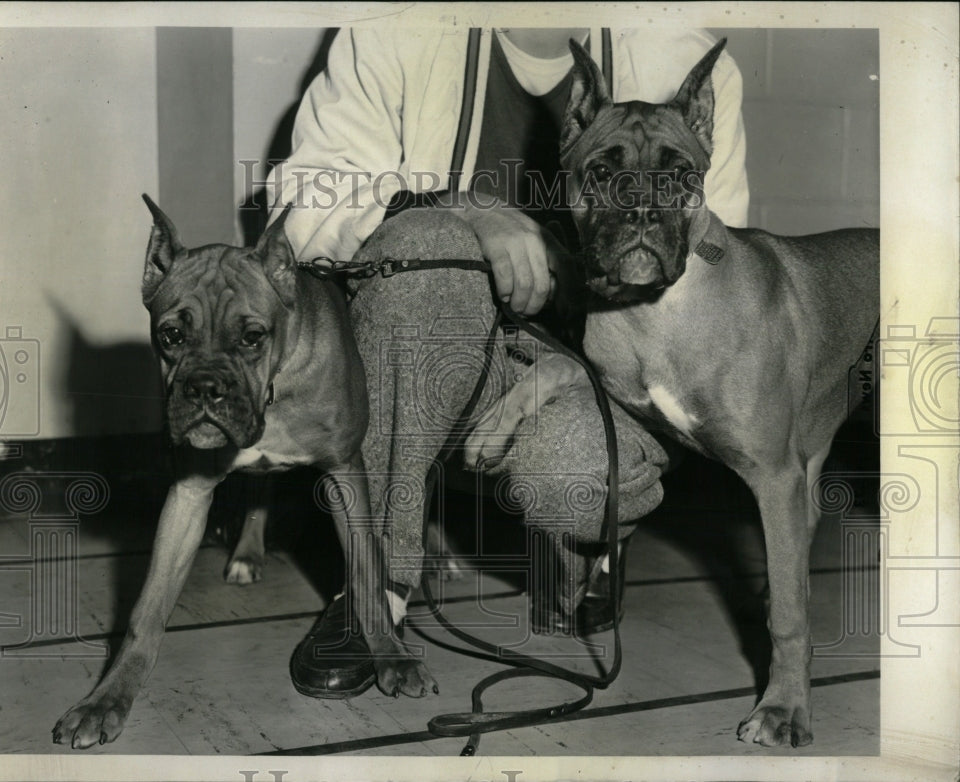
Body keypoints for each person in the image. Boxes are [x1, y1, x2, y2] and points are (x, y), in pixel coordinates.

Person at [266, 26, 749, 698]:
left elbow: (720, 268)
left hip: (615, 367)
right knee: (430, 240)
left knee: (572, 478)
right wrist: (464, 208)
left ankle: (590, 548)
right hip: (447, 349)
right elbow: (299, 209)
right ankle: (378, 590)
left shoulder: (682, 56)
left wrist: (583, 360)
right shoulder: (390, 24)